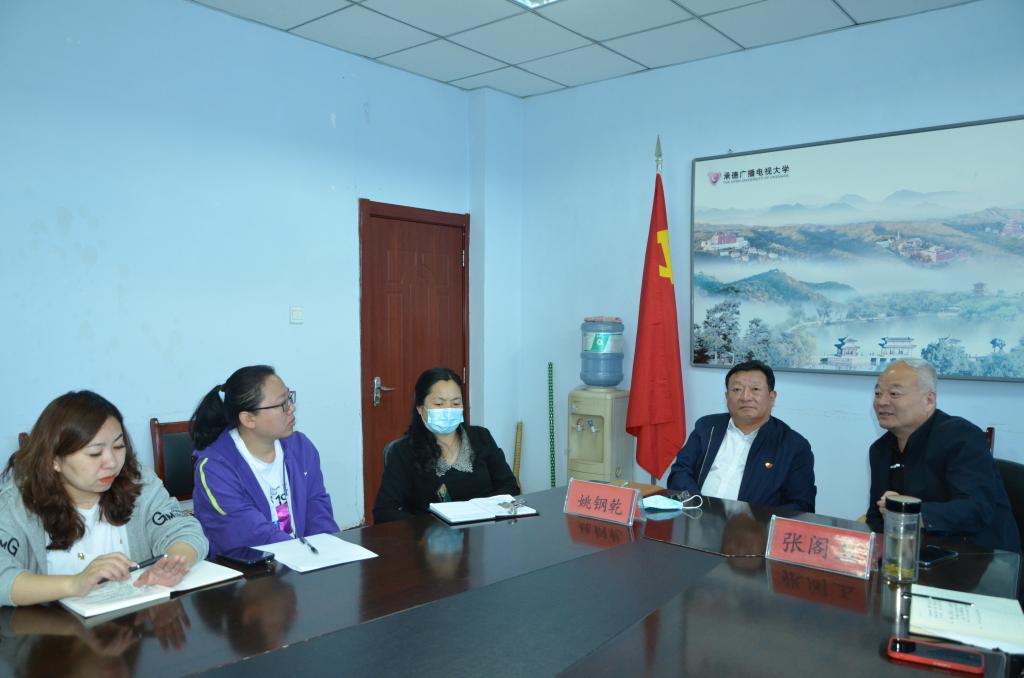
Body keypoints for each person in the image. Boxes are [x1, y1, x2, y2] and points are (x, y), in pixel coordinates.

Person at [0, 391, 207, 607]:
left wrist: (171, 564)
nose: (112, 463)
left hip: (135, 620)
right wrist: (74, 584)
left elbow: (184, 530)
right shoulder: (17, 502)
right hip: (52, 626)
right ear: (54, 460)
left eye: (118, 447)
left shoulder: (138, 482)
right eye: (95, 453)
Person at [866, 359, 1020, 552]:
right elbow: (876, 517)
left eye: (894, 394)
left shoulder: (961, 437)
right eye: (878, 393)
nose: (881, 402)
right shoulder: (880, 449)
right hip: (915, 554)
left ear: (929, 400)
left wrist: (909, 511)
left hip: (982, 556)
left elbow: (976, 509)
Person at [190, 365, 338, 558]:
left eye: (289, 398)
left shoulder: (301, 448)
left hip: (302, 561)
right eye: (282, 404)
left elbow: (318, 509)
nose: (291, 408)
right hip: (251, 569)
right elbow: (250, 533)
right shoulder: (214, 469)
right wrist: (305, 554)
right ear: (249, 419)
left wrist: (329, 551)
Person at [373, 367, 520, 523]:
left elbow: (509, 486)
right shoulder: (403, 451)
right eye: (439, 403)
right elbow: (384, 511)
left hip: (484, 527)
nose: (449, 410)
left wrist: (480, 510)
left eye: (456, 403)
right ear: (420, 409)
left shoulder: (481, 437)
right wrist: (427, 529)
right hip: (431, 535)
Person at [667, 360, 816, 512]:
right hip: (695, 516)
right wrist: (695, 504)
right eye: (737, 389)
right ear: (727, 396)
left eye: (755, 389)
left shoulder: (794, 446)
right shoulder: (707, 427)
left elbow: (801, 505)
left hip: (754, 525)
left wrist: (754, 520)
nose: (745, 397)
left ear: (772, 397)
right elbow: (681, 471)